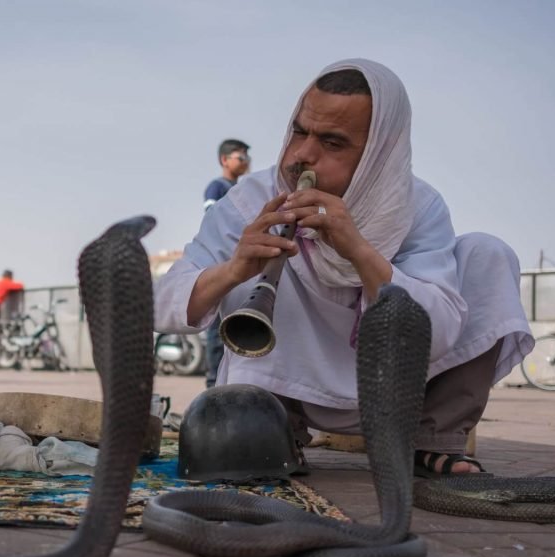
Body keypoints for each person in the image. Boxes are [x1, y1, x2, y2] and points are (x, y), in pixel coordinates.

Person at [154, 59, 533, 477]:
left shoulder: (419, 207)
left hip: (399, 390)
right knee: (250, 274)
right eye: (300, 131)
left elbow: (439, 332)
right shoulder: (250, 200)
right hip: (286, 390)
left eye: (332, 143)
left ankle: (433, 439)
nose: (302, 155)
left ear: (380, 150)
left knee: (488, 253)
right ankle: (278, 432)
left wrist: (358, 250)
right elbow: (164, 306)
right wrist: (234, 269)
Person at [203, 139, 252, 389]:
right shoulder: (217, 188)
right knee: (217, 329)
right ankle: (214, 386)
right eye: (240, 157)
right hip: (223, 266)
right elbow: (215, 224)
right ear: (225, 160)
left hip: (241, 270)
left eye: (246, 158)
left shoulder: (244, 191)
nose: (245, 162)